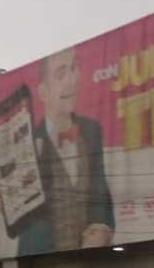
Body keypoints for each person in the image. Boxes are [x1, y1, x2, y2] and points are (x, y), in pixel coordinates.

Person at [17, 47, 114, 256]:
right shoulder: (26, 143)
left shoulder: (91, 130)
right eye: (61, 74)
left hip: (90, 259)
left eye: (74, 68)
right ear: (43, 92)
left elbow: (100, 187)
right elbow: (19, 213)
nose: (73, 79)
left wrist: (102, 227)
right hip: (41, 260)